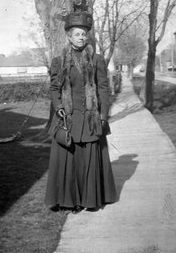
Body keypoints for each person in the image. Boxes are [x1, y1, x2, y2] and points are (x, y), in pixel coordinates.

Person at [45, 11, 117, 213]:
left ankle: (91, 199)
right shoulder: (59, 61)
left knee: (89, 159)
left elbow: (103, 88)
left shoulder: (97, 60)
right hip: (68, 118)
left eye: (84, 34)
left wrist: (103, 115)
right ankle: (71, 200)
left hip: (91, 118)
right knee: (70, 160)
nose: (82, 37)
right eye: (77, 34)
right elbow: (54, 90)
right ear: (68, 36)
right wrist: (59, 107)